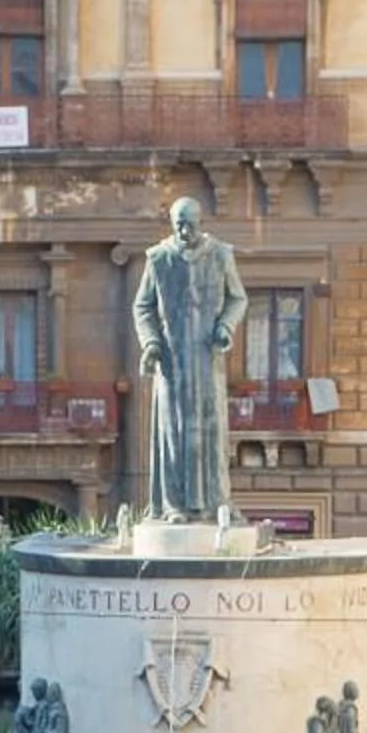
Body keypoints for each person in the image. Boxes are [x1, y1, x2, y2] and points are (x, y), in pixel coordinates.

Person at [132, 196, 249, 521]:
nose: (184, 232)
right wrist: (151, 343)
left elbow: (238, 298)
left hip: (207, 358)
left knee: (210, 433)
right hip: (171, 363)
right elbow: (142, 306)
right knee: (173, 432)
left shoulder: (220, 255)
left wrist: (225, 326)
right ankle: (173, 506)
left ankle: (214, 503)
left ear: (201, 222)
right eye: (178, 225)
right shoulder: (158, 259)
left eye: (190, 225)